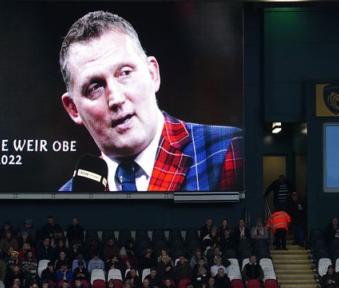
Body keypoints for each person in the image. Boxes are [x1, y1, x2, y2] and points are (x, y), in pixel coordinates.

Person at [58, 11, 243, 192]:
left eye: (125, 73)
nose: (116, 99)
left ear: (153, 74)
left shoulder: (229, 150)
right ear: (73, 109)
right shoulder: (67, 201)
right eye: (94, 87)